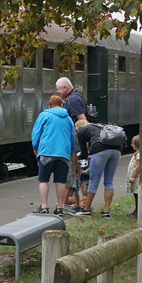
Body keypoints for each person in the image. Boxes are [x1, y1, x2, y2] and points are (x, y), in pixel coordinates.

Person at [31, 94, 75, 214]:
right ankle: (60, 207)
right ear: (62, 105)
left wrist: (35, 147)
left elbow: (36, 133)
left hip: (46, 151)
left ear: (50, 105)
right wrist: (70, 151)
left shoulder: (44, 115)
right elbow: (72, 137)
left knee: (43, 180)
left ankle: (44, 207)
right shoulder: (68, 118)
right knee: (60, 181)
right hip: (63, 153)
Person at [56, 76, 87, 210]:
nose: (58, 92)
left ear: (65, 88)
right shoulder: (76, 97)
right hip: (77, 138)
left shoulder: (73, 100)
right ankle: (76, 200)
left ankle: (83, 202)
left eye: (58, 89)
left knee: (77, 169)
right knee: (77, 170)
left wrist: (82, 137)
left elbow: (82, 119)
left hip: (77, 139)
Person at [125, 134, 141, 217]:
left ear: (136, 144)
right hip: (135, 177)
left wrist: (134, 177)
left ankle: (138, 211)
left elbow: (138, 166)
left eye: (133, 144)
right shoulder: (137, 153)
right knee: (135, 194)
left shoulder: (138, 154)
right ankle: (136, 210)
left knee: (137, 194)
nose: (131, 145)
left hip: (136, 178)